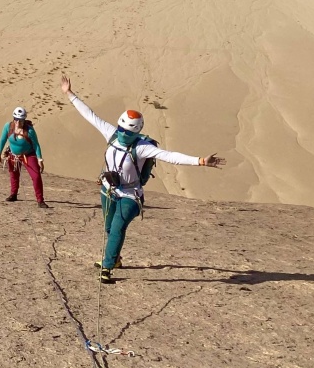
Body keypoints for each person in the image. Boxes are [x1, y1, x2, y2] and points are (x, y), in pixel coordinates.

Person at [60, 75, 224, 283]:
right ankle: (116, 258)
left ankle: (107, 267)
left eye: (127, 132)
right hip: (108, 190)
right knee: (110, 228)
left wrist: (200, 161)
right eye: (120, 130)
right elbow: (90, 116)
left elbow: (170, 156)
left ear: (136, 131)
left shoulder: (143, 147)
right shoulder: (111, 134)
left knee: (118, 227)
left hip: (130, 195)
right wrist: (69, 93)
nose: (122, 134)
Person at [0, 106, 47, 208]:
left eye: (20, 120)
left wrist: (39, 159)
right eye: (16, 120)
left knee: (36, 176)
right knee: (13, 174)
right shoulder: (8, 127)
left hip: (28, 155)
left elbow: (36, 145)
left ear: (24, 120)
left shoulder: (30, 131)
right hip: (13, 155)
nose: (18, 123)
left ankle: (40, 200)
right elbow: (2, 140)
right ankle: (13, 194)